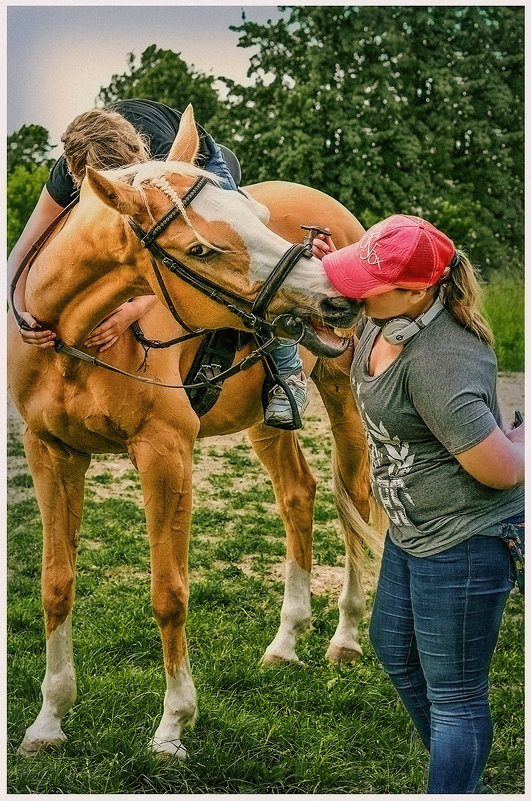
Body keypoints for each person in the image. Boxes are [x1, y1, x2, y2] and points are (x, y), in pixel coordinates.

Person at [312, 215, 524, 794]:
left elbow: (501, 471)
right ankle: (461, 765)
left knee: (455, 697)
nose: (354, 289)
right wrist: (332, 268)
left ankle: (456, 771)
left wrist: (521, 442)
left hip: (464, 538)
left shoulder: (440, 360)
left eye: (367, 281)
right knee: (393, 646)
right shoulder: (384, 321)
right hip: (414, 530)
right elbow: (331, 327)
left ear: (417, 291)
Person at [8, 98, 308, 428]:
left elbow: (172, 259)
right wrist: (21, 313)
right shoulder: (67, 175)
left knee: (237, 245)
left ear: (140, 153)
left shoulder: (162, 153)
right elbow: (24, 250)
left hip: (199, 163)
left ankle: (286, 366)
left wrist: (134, 310)